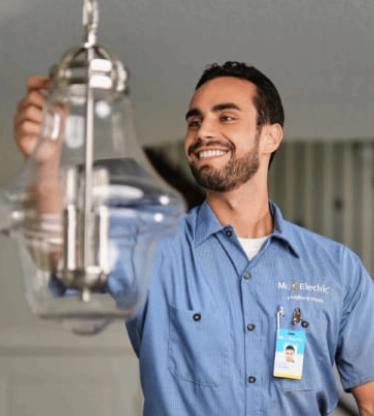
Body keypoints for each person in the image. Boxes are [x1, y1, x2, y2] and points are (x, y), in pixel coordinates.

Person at [13, 62, 374, 415]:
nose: (202, 132)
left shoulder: (338, 268)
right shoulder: (150, 245)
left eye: (226, 117)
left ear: (270, 136)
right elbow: (60, 256)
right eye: (194, 121)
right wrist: (44, 160)